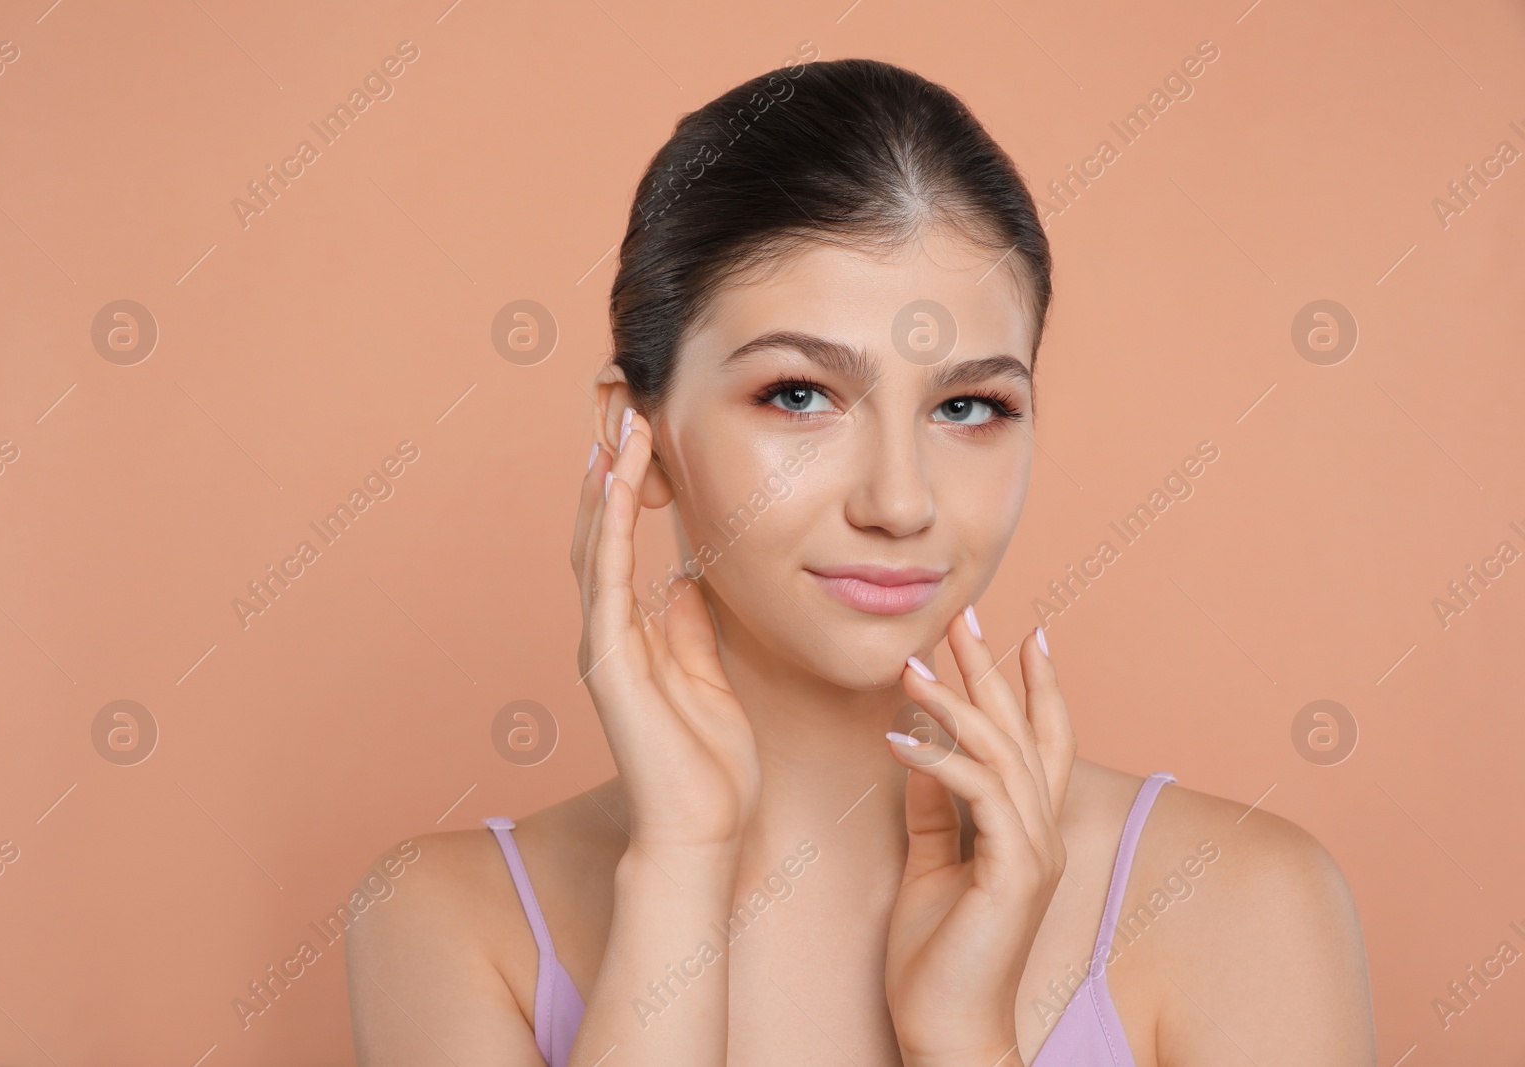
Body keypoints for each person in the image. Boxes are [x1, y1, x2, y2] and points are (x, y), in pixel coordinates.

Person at [345, 57, 1375, 1066]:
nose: (898, 500)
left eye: (968, 405)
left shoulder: (1237, 899)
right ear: (637, 436)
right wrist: (679, 868)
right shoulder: (450, 920)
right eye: (798, 394)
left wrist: (964, 1041)